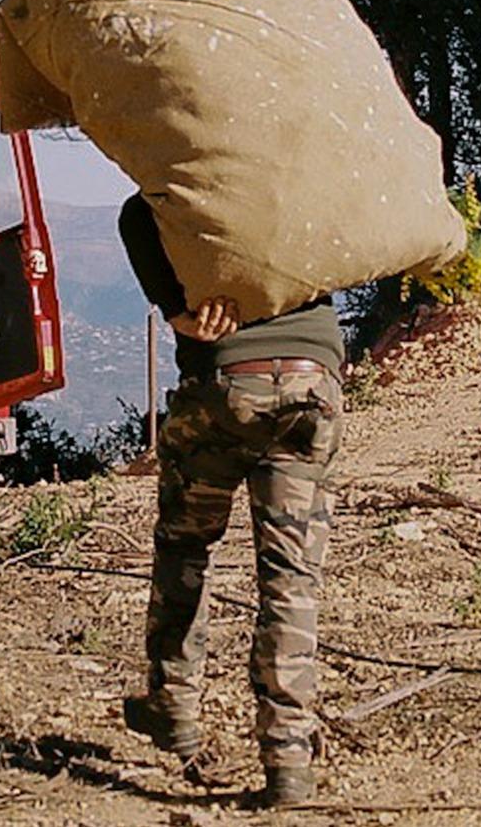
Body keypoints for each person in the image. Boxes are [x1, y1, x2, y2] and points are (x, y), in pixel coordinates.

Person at [114, 192, 344, 809]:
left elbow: (135, 215)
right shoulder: (311, 175)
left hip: (224, 382)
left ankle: (174, 709)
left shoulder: (202, 177)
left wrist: (176, 310)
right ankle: (289, 762)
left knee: (186, 546)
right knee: (291, 577)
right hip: (310, 381)